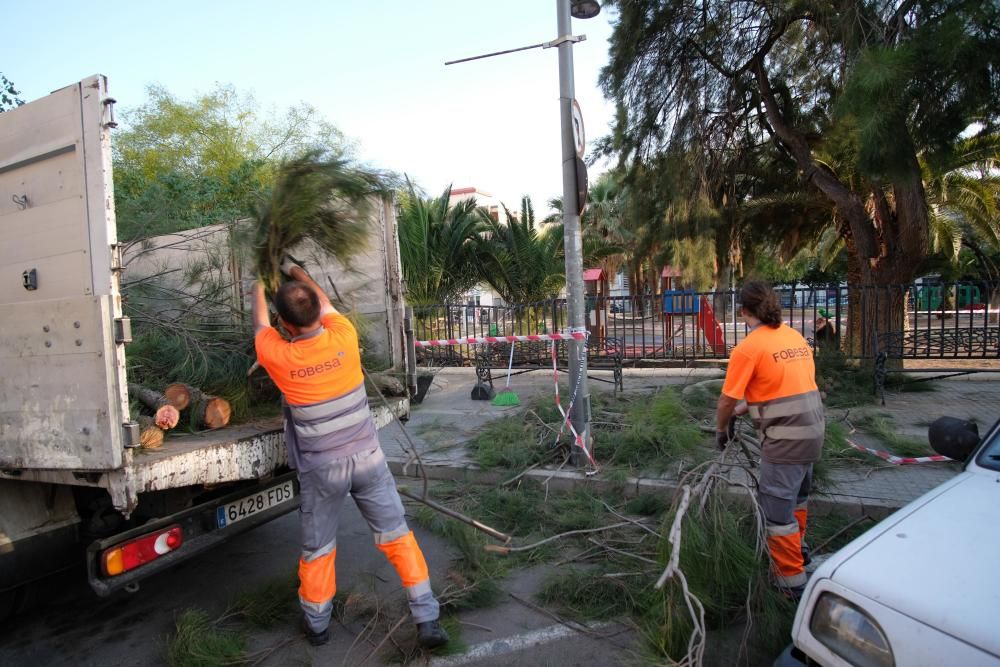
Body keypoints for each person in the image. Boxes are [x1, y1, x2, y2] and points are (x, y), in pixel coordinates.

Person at [252, 259, 448, 648]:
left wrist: (257, 284)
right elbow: (322, 301)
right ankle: (427, 619)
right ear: (317, 313)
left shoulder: (280, 356)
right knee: (397, 536)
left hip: (322, 469)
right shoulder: (342, 336)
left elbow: (258, 326)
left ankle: (317, 624)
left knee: (319, 548)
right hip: (368, 460)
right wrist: (298, 274)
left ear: (284, 325)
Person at [715, 281, 825, 598]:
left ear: (743, 310)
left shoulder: (748, 348)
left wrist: (722, 429)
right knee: (797, 500)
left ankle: (789, 582)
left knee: (776, 513)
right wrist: (743, 409)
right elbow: (782, 386)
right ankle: (799, 551)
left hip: (786, 440)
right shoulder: (793, 337)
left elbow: (724, 400)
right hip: (813, 433)